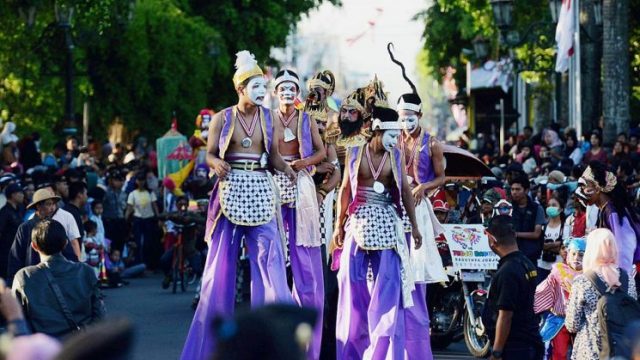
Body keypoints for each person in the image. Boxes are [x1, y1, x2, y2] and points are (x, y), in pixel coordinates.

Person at [181, 50, 296, 360]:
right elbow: (208, 154)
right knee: (218, 267)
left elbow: (273, 158)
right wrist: (215, 162)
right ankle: (210, 344)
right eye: (255, 86)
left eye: (263, 86)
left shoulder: (269, 119)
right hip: (230, 193)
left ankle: (274, 342)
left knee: (270, 262)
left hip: (261, 191)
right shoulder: (222, 118)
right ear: (240, 88)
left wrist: (290, 171)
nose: (261, 92)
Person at [332, 105, 423, 359]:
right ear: (377, 129)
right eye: (392, 134)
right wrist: (338, 226)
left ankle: (381, 354)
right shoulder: (354, 151)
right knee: (350, 285)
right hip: (358, 221)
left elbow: (405, 190)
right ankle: (351, 352)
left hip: (387, 222)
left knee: (389, 288)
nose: (396, 139)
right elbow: (345, 190)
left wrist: (414, 226)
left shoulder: (395, 155)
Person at [389, 43, 445, 358]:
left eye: (410, 116)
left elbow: (442, 177)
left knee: (418, 271)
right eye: (401, 116)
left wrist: (425, 186)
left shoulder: (432, 143)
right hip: (397, 206)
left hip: (420, 208)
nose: (406, 121)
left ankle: (418, 345)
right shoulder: (393, 140)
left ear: (419, 115)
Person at [272, 68, 326, 360]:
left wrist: (303, 162)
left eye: (292, 88)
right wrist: (280, 166)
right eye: (283, 89)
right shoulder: (268, 119)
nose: (287, 93)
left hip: (301, 181)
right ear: (276, 92)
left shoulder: (306, 119)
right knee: (274, 246)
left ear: (297, 93)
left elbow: (321, 152)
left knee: (304, 249)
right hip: (275, 181)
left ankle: (307, 308)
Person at [11, 219, 105, 337]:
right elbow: (100, 316)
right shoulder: (86, 271)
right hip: (82, 346)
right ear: (65, 243)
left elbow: (18, 324)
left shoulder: (23, 277)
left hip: (45, 351)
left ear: (34, 246)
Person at [565, 228, 637, 360]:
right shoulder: (628, 279)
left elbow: (572, 325)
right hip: (622, 351)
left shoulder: (582, 281)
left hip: (590, 352)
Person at [482, 215, 543, 360]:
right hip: (529, 342)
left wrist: (497, 352)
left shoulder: (508, 271)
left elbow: (505, 316)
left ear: (491, 239)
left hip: (515, 347)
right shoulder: (526, 263)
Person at [7, 188, 81, 284]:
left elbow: (68, 253)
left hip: (56, 278)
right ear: (38, 206)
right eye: (48, 204)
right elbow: (16, 258)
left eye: (53, 204)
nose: (52, 208)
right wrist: (13, 283)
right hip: (33, 279)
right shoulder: (25, 228)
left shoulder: (56, 225)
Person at [579, 161, 640, 274]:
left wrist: (621, 278)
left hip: (627, 274)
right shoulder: (603, 210)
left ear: (597, 188)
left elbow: (625, 247)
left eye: (585, 186)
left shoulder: (613, 212)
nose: (581, 191)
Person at [534, 238, 585, 360]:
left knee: (582, 354)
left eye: (581, 255)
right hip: (559, 320)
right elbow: (544, 290)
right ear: (568, 255)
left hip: (582, 322)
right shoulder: (559, 272)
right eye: (573, 253)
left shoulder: (589, 276)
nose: (576, 257)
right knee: (559, 353)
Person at [125, 172, 160, 268]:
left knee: (149, 242)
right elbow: (129, 207)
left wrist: (159, 218)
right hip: (138, 219)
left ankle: (149, 263)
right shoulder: (132, 194)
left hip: (149, 219)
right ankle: (139, 262)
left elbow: (155, 206)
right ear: (136, 181)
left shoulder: (150, 193)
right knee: (138, 242)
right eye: (139, 180)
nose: (141, 182)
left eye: (142, 180)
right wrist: (126, 219)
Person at [509, 174, 545, 266]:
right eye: (512, 189)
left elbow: (536, 234)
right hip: (511, 254)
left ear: (526, 190)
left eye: (517, 189)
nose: (514, 192)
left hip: (531, 255)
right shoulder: (507, 207)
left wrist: (516, 234)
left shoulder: (537, 208)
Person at [537, 196, 570, 282]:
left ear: (561, 209)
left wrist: (547, 246)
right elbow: (539, 245)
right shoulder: (542, 227)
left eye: (554, 205)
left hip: (558, 267)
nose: (551, 207)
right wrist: (556, 244)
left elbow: (564, 246)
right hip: (541, 266)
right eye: (549, 205)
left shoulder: (565, 227)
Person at [0, 184, 25, 278]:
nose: (23, 195)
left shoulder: (21, 209)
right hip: (6, 254)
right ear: (13, 195)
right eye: (20, 193)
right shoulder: (4, 212)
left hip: (19, 251)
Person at [102, 169, 128, 251]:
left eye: (119, 180)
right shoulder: (106, 192)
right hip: (109, 221)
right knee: (110, 243)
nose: (117, 182)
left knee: (120, 243)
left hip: (120, 221)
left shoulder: (124, 194)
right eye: (115, 180)